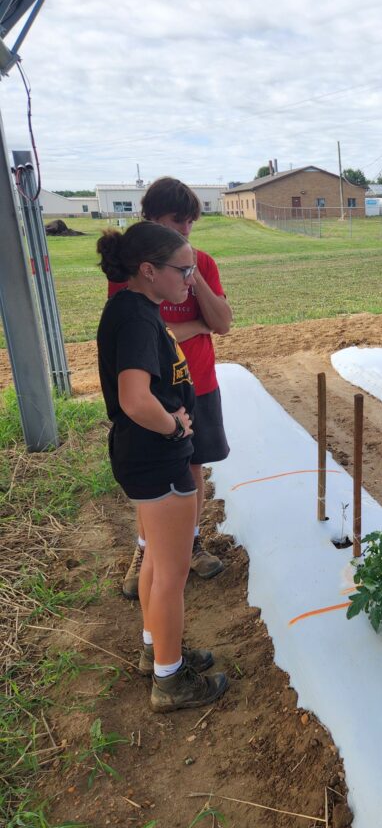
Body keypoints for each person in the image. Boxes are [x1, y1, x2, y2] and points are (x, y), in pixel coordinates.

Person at [97, 222, 229, 711]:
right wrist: (174, 428)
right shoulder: (135, 319)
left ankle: (159, 653)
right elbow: (134, 399)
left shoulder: (135, 309)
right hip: (156, 458)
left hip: (145, 458)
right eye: (183, 269)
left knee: (155, 559)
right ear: (148, 271)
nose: (190, 279)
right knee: (172, 573)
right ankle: (171, 683)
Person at [112, 178, 233, 599]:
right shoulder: (134, 272)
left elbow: (222, 322)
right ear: (152, 221)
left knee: (194, 467)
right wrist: (194, 326)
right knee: (155, 479)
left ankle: (191, 539)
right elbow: (147, 333)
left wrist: (194, 277)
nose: (185, 230)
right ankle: (145, 551)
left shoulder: (201, 264)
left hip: (198, 384)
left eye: (190, 223)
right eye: (175, 221)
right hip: (153, 394)